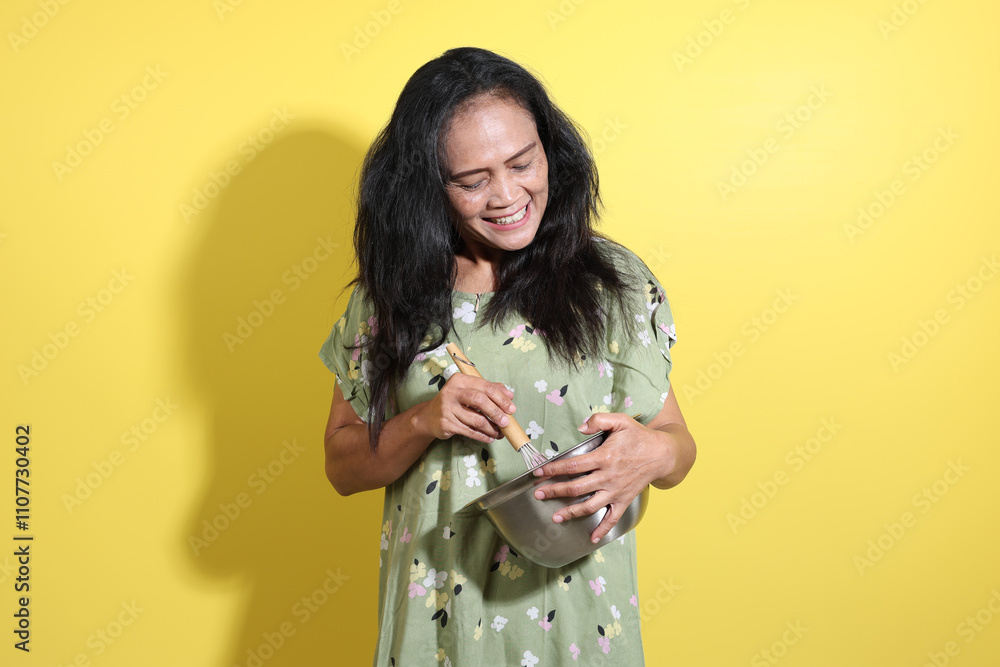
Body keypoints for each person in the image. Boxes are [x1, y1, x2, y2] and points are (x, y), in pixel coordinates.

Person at [319, 46, 696, 666]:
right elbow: (341, 467)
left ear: (551, 150)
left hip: (582, 633)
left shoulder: (613, 284)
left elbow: (677, 446)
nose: (507, 195)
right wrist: (424, 419)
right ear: (427, 186)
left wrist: (655, 454)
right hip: (439, 629)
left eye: (523, 163)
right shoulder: (389, 300)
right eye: (472, 181)